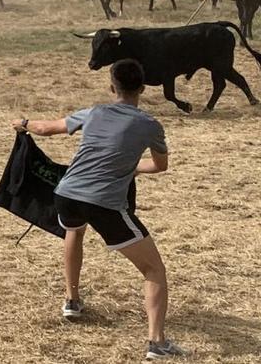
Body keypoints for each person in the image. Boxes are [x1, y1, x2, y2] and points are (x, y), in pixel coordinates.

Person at [14, 59, 186, 360]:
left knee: (74, 231)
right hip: (104, 202)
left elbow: (46, 128)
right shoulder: (150, 125)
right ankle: (157, 343)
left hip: (66, 193)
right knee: (154, 269)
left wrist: (24, 124)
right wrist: (132, 169)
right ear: (142, 89)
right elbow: (161, 166)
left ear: (111, 87)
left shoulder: (94, 112)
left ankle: (72, 300)